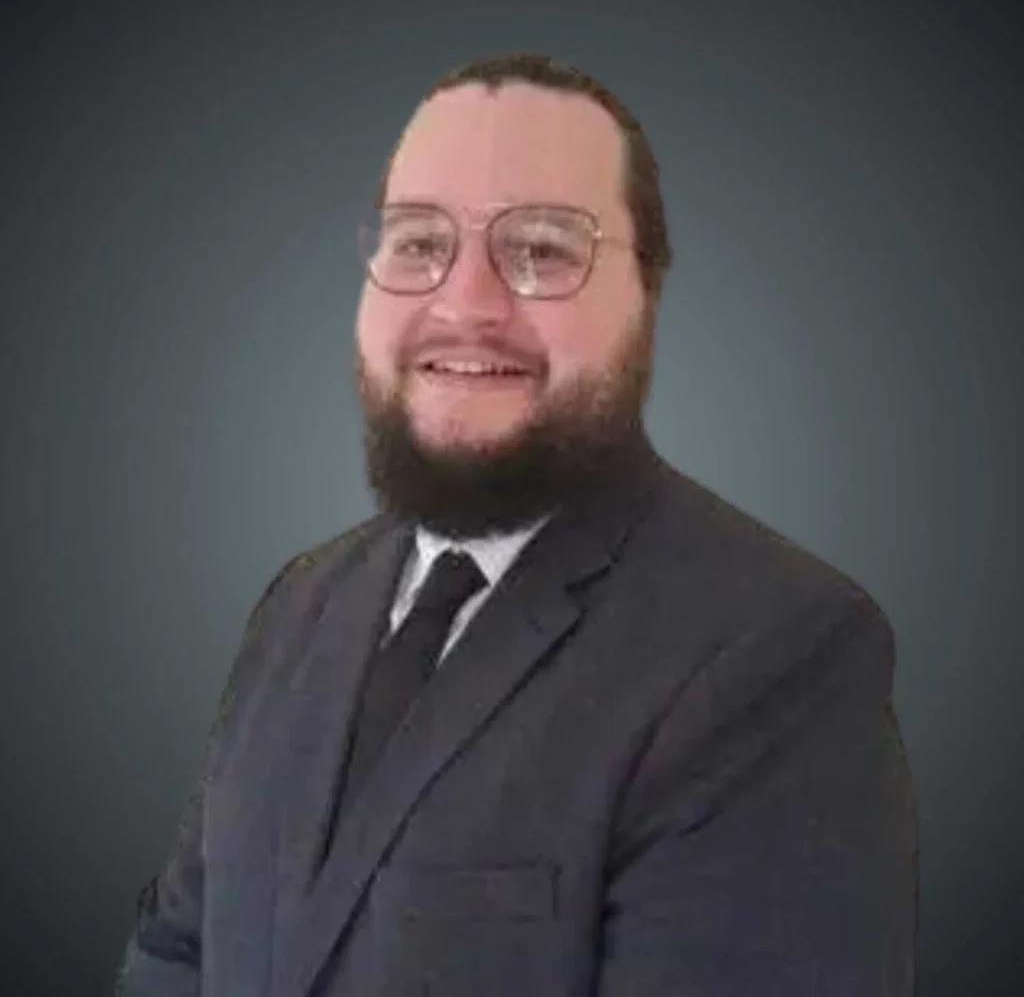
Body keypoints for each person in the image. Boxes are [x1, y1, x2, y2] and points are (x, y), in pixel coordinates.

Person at [115, 52, 918, 996]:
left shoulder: (780, 654)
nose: (465, 305)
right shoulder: (297, 605)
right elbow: (175, 952)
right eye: (419, 243)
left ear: (647, 296)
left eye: (542, 249)